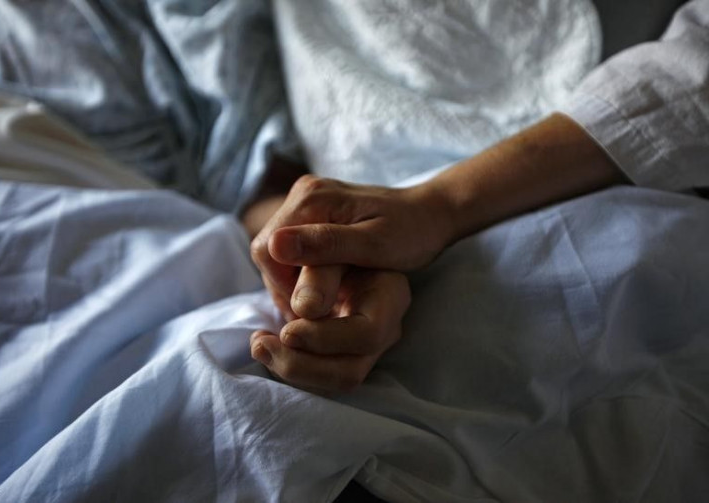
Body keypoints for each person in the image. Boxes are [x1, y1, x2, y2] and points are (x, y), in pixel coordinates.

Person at [246, 0, 709, 394]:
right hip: (380, 248)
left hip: (603, 188)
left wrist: (437, 206)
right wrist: (335, 252)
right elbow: (234, 168)